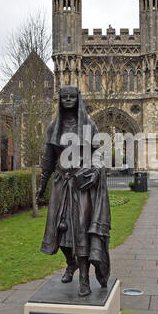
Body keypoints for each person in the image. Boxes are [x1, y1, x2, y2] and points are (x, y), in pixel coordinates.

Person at [36, 85, 111, 297]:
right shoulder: (54, 127)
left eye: (72, 97)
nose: (68, 100)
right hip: (61, 182)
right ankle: (71, 264)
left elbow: (98, 152)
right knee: (58, 229)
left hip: (81, 184)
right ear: (59, 100)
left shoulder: (89, 125)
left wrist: (95, 171)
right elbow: (48, 158)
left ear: (78, 99)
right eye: (64, 97)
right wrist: (42, 186)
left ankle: (84, 279)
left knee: (81, 231)